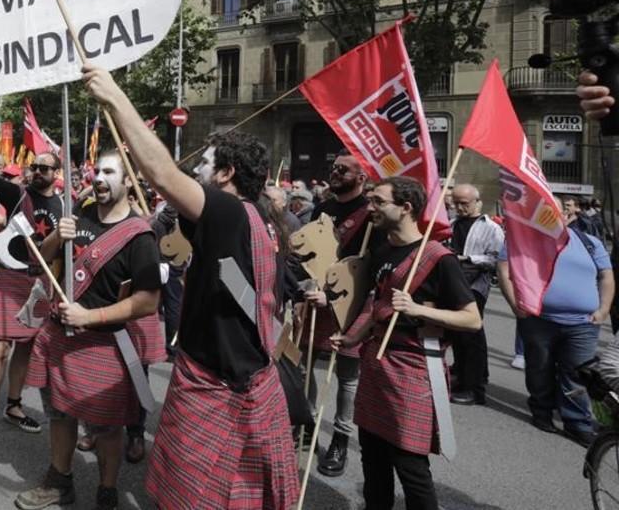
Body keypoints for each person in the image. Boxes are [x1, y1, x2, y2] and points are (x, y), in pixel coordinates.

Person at [82, 63, 299, 509]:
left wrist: (115, 96)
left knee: (193, 499)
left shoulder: (229, 213)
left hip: (217, 387)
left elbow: (162, 175)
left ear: (226, 174)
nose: (193, 168)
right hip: (244, 378)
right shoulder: (257, 220)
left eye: (203, 163)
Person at [16, 150, 161, 510]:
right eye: (97, 171)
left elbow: (147, 301)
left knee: (107, 428)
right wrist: (54, 239)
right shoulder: (76, 218)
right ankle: (59, 481)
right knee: (59, 415)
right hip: (59, 337)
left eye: (109, 172)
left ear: (128, 182)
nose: (98, 178)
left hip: (105, 344)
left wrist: (89, 317)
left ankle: (107, 491)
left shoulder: (140, 236)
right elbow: (41, 263)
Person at [331, 177, 482, 510]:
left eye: (379, 202)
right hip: (376, 362)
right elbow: (378, 303)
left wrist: (414, 309)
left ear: (406, 207)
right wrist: (352, 336)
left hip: (413, 368)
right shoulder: (382, 249)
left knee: (410, 467)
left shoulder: (439, 257)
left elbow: (472, 319)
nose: (370, 208)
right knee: (373, 462)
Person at [0, 133, 63, 458]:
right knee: (0, 348)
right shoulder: (16, 195)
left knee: (26, 346)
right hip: (11, 277)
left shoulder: (64, 206)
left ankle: (13, 405)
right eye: (34, 166)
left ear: (57, 174)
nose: (38, 171)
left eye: (45, 168)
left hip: (41, 284)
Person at [498, 218, 613, 447]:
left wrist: (603, 310)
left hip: (583, 324)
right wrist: (515, 304)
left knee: (578, 374)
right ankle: (542, 411)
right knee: (539, 369)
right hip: (538, 320)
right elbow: (504, 268)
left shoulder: (590, 242)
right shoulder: (523, 239)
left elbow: (606, 276)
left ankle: (577, 423)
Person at [300, 152, 377, 478]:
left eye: (343, 169)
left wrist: (333, 295)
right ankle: (306, 426)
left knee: (347, 376)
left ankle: (341, 439)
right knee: (304, 366)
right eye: (333, 167)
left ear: (361, 177)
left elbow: (367, 268)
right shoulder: (322, 208)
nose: (335, 172)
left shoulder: (370, 216)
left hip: (348, 305)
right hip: (314, 300)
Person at [446, 184, 504, 406]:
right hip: (454, 283)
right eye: (456, 203)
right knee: (457, 333)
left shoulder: (491, 228)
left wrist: (467, 259)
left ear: (477, 202)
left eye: (464, 203)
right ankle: (462, 375)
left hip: (475, 285)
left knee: (472, 334)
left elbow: (496, 259)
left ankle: (475, 387)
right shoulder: (451, 224)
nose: (460, 208)